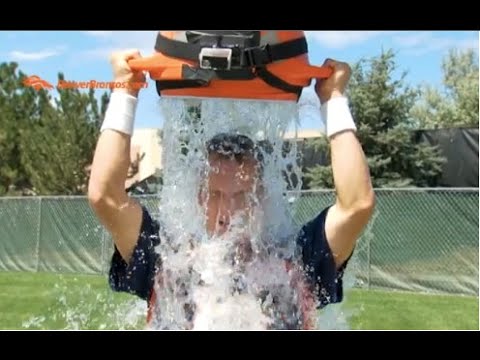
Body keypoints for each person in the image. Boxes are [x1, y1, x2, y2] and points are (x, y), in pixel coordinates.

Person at [88, 49, 375, 330]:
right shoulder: (168, 258)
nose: (228, 212)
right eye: (215, 195)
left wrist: (333, 99)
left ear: (262, 197)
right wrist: (124, 91)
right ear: (200, 198)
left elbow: (356, 205)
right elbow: (106, 197)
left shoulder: (297, 258)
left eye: (241, 197)